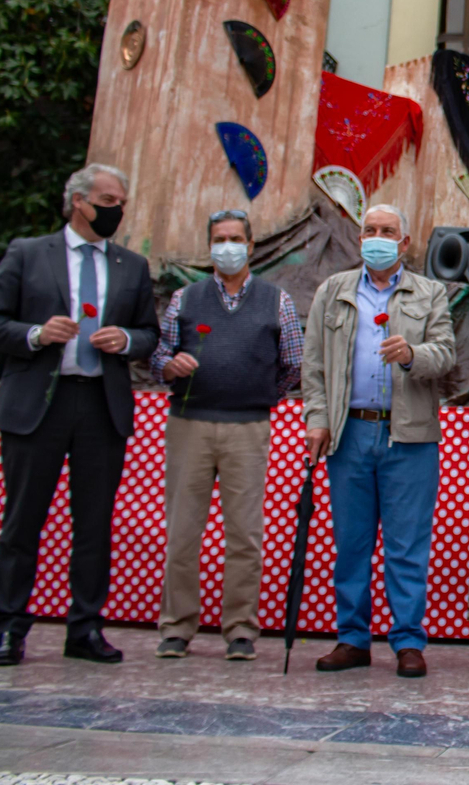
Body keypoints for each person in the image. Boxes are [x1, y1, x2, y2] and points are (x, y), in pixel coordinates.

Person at [0, 163, 158, 667]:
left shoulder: (130, 265)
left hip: (101, 404)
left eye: (121, 202)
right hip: (39, 403)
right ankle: (10, 628)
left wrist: (125, 340)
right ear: (78, 201)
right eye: (107, 201)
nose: (116, 210)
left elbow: (149, 332)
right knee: (22, 521)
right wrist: (36, 334)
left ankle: (86, 626)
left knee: (94, 523)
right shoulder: (28, 253)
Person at [302, 204, 455, 679]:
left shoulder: (430, 293)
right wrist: (318, 418)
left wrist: (412, 354)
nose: (377, 237)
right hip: (349, 433)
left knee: (407, 546)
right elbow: (314, 367)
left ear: (404, 242)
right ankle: (352, 639)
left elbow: (448, 356)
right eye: (369, 230)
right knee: (351, 543)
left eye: (388, 231)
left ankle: (408, 641)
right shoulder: (333, 291)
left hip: (408, 436)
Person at [149, 208, 302, 662]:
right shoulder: (184, 298)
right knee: (182, 532)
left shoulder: (278, 301)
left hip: (248, 428)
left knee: (244, 535)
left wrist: (256, 395)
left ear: (251, 246)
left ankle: (240, 629)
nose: (228, 246)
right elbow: (159, 356)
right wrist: (169, 366)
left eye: (236, 238)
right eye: (219, 239)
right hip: (189, 425)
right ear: (210, 246)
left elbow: (291, 365)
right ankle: (177, 627)